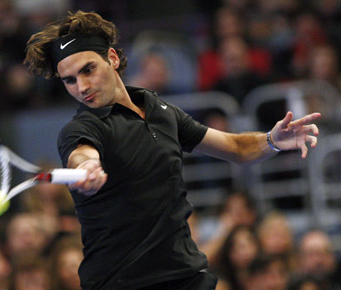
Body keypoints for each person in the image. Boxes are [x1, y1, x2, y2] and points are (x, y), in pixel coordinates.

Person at [23, 10, 321, 290]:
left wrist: (272, 139)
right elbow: (82, 154)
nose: (82, 86)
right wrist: (86, 167)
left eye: (88, 69)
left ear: (112, 58)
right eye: (70, 80)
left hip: (184, 273)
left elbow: (234, 146)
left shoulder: (160, 110)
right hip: (121, 282)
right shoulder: (79, 129)